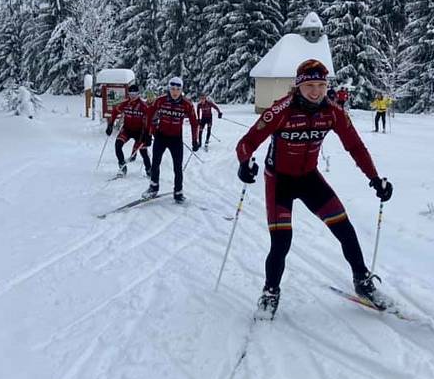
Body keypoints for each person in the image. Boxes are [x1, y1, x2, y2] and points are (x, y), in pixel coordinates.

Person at [235, 59, 393, 319]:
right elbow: (248, 141)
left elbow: (355, 146)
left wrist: (375, 178)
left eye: (321, 85)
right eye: (310, 85)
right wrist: (245, 163)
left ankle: (362, 282)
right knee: (282, 241)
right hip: (279, 181)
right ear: (298, 86)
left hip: (309, 178)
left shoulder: (333, 112)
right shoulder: (281, 110)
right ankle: (270, 292)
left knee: (344, 228)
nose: (316, 91)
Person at [143, 77, 200, 203]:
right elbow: (149, 114)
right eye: (173, 89)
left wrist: (195, 140)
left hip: (176, 139)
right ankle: (153, 187)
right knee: (155, 162)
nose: (175, 92)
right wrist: (148, 133)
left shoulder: (187, 104)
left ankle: (178, 192)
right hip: (161, 136)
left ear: (181, 90)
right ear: (169, 88)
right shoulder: (160, 101)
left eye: (178, 89)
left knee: (177, 167)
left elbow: (194, 123)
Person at [106, 84, 152, 177]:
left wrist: (149, 134)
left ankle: (149, 170)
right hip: (127, 129)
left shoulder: (143, 105)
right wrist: (110, 125)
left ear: (138, 94)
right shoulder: (125, 103)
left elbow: (150, 119)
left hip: (139, 131)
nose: (132, 96)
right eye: (131, 94)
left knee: (143, 151)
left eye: (134, 94)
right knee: (118, 145)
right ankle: (122, 167)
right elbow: (115, 111)